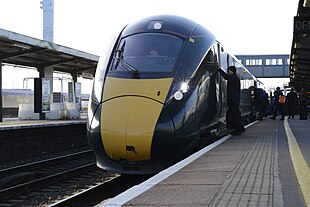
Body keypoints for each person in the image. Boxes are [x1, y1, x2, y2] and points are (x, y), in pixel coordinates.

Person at [218, 66, 245, 135]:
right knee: (233, 115)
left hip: (233, 100)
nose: (227, 72)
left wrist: (219, 69)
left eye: (228, 70)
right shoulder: (235, 78)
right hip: (234, 100)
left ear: (232, 71)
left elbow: (226, 77)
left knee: (233, 115)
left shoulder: (233, 77)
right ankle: (237, 128)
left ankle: (238, 129)